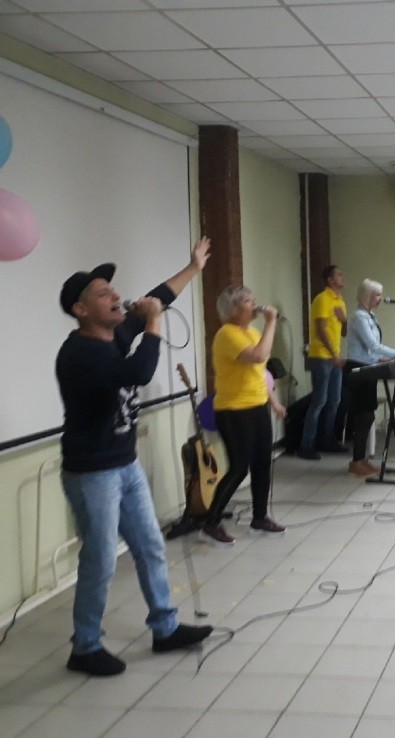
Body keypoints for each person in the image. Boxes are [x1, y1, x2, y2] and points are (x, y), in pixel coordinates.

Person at [56, 237, 214, 677]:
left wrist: (193, 267)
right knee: (101, 560)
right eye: (102, 293)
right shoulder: (80, 354)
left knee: (149, 546)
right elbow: (139, 371)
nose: (114, 295)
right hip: (92, 474)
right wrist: (154, 321)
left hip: (124, 466)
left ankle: (165, 628)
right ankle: (85, 647)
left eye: (113, 289)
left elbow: (158, 295)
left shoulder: (112, 334)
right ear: (81, 310)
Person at [199, 285, 286, 547]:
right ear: (233, 309)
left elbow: (260, 373)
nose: (255, 304)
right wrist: (271, 322)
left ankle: (259, 518)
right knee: (239, 467)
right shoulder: (227, 334)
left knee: (262, 463)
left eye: (253, 299)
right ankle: (211, 523)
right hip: (233, 410)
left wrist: (273, 402)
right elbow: (258, 356)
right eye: (248, 301)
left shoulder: (252, 332)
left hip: (257, 406)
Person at [345, 279, 395, 477]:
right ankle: (356, 462)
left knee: (368, 414)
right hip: (358, 369)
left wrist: (382, 359)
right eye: (377, 295)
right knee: (364, 415)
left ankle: (362, 460)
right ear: (367, 296)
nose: (380, 298)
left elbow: (370, 351)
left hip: (368, 367)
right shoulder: (358, 317)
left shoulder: (370, 316)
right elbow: (372, 345)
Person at [298, 265, 347, 460]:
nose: (343, 277)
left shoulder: (340, 301)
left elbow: (344, 332)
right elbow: (321, 330)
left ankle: (327, 440)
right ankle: (306, 445)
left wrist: (344, 321)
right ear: (330, 279)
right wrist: (334, 355)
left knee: (335, 400)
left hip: (334, 357)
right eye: (339, 274)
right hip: (321, 356)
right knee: (319, 400)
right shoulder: (322, 299)